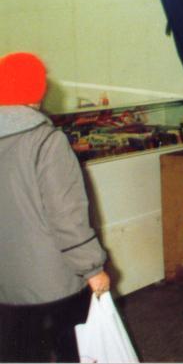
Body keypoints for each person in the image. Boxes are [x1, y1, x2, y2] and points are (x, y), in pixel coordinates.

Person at [0, 52, 111, 362]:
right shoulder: (46, 142)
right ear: (37, 91)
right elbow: (67, 216)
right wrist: (93, 268)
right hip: (51, 287)